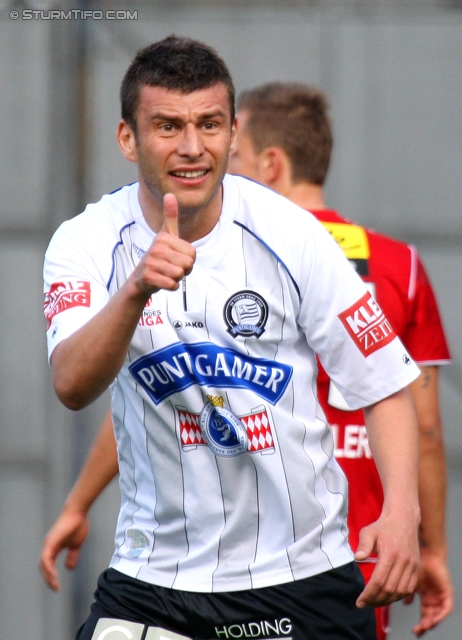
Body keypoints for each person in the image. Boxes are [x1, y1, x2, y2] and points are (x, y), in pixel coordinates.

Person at [43, 37, 421, 640]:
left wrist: (404, 513)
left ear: (234, 131)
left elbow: (386, 385)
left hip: (303, 575)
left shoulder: (292, 235)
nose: (192, 148)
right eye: (167, 126)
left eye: (209, 125)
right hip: (155, 581)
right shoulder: (84, 243)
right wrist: (136, 287)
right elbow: (70, 383)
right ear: (127, 139)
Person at [227, 83, 453, 639]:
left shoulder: (229, 264)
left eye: (234, 156)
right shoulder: (400, 265)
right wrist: (432, 550)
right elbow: (423, 430)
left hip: (240, 557)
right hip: (364, 557)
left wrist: (79, 503)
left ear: (271, 164)